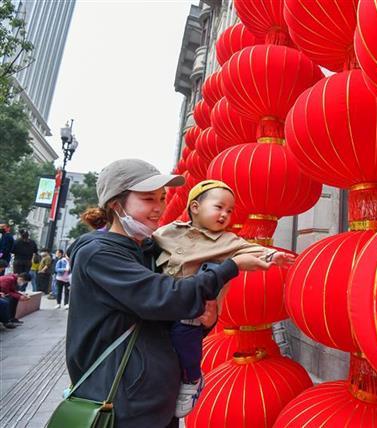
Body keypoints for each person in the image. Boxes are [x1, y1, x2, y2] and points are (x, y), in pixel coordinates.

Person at [66, 159, 273, 428]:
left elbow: (164, 318)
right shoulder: (100, 254)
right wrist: (230, 267)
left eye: (162, 198)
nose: (159, 208)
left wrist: (203, 324)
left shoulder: (150, 250)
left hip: (156, 402)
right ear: (117, 205)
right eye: (148, 199)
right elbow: (164, 296)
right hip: (121, 406)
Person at [153, 179, 295, 417]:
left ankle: (191, 378)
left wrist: (272, 255)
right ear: (195, 207)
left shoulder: (227, 241)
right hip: (161, 301)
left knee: (185, 337)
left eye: (229, 211)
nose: (225, 214)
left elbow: (250, 249)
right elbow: (149, 243)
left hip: (191, 308)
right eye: (219, 207)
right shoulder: (169, 231)